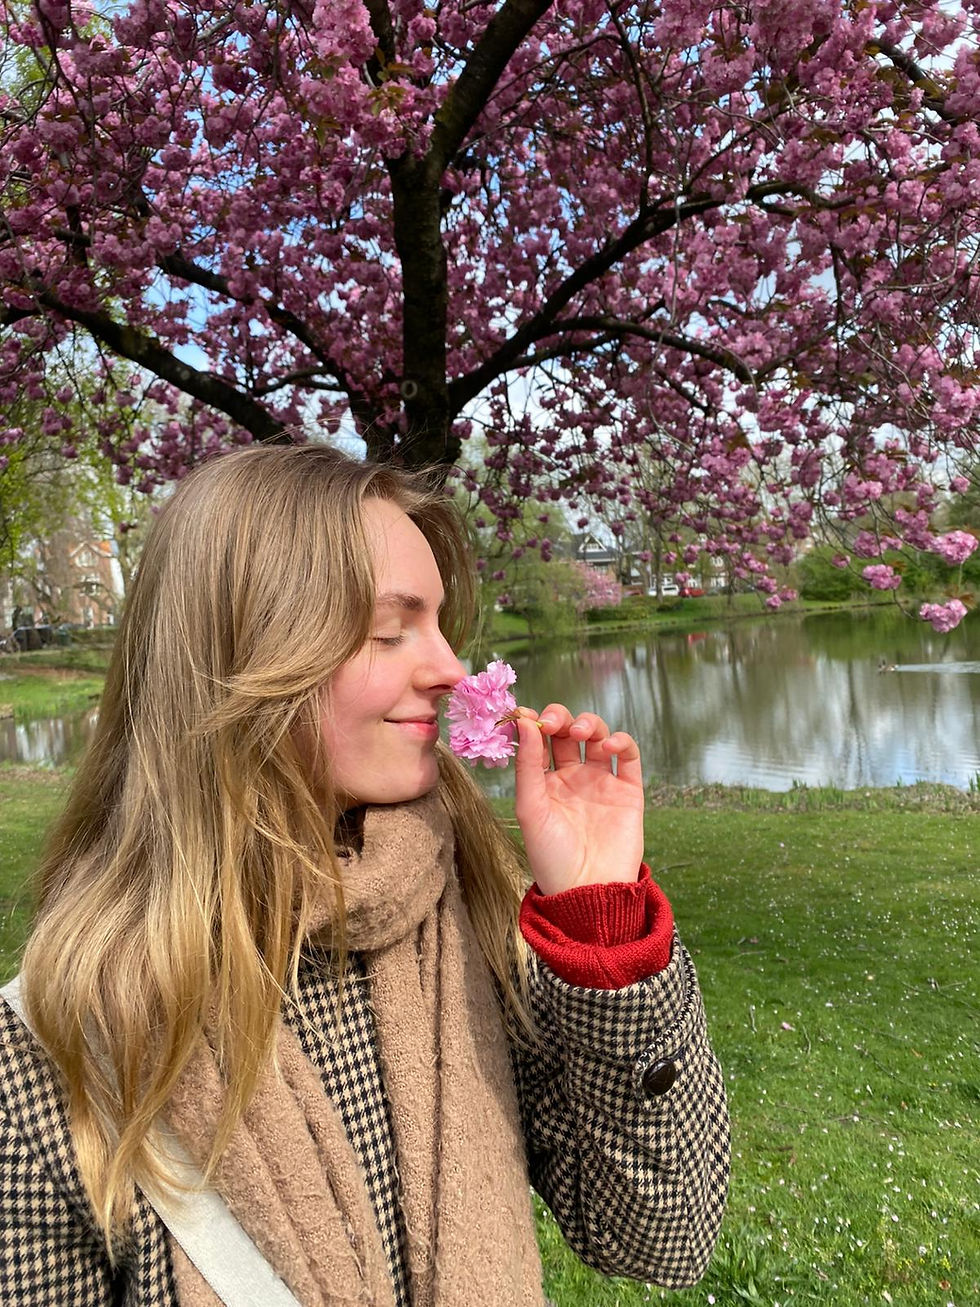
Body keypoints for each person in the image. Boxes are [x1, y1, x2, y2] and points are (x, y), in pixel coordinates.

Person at [0, 444, 729, 1306]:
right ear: (244, 654)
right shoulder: (56, 1050)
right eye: (391, 631)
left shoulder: (465, 921)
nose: (451, 669)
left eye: (439, 625)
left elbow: (664, 1235)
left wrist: (597, 910)